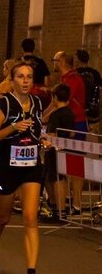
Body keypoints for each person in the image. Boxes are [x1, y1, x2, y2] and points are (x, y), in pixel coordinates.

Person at [0, 60, 50, 274]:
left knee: (31, 217)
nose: (25, 81)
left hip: (31, 166)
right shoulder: (4, 104)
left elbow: (37, 129)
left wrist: (43, 139)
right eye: (20, 77)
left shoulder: (38, 103)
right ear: (12, 81)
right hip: (6, 168)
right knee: (3, 217)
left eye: (29, 77)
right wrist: (13, 128)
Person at [51, 51, 88, 216]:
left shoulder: (72, 80)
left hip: (76, 124)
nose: (53, 63)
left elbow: (60, 101)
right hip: (67, 123)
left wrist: (43, 117)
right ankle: (65, 202)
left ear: (61, 62)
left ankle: (77, 204)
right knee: (65, 163)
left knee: (75, 164)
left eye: (55, 60)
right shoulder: (65, 79)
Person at [41, 83, 75, 221]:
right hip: (65, 150)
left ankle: (59, 210)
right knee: (58, 178)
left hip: (54, 151)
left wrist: (43, 138)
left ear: (55, 97)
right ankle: (59, 209)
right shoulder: (69, 113)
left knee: (55, 179)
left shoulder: (56, 115)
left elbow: (52, 134)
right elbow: (72, 133)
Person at [75, 49, 101, 131]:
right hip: (92, 106)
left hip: (79, 106)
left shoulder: (75, 73)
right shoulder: (95, 73)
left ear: (78, 60)